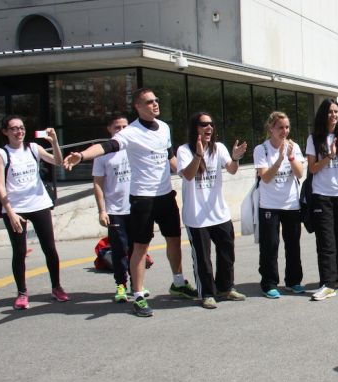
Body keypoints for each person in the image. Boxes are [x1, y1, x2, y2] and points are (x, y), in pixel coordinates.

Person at [64, 88, 197, 317]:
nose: (155, 104)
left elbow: (169, 155)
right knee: (140, 247)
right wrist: (83, 156)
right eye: (149, 102)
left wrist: (185, 172)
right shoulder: (130, 132)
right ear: (138, 106)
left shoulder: (164, 127)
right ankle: (137, 296)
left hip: (165, 196)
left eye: (156, 100)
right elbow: (106, 146)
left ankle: (178, 282)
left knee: (174, 240)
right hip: (142, 198)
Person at [0, 115, 67, 309]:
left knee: (50, 248)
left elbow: (58, 162)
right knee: (19, 251)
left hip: (39, 203)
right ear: (5, 132)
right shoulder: (1, 153)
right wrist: (10, 212)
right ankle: (22, 292)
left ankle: (57, 287)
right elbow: (0, 186)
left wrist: (55, 142)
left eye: (22, 128)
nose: (19, 131)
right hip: (16, 209)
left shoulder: (34, 148)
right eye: (14, 128)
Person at [177, 112, 247, 309]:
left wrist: (235, 158)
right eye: (203, 124)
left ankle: (225, 288)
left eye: (211, 124)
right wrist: (198, 154)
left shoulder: (219, 148)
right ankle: (207, 293)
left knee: (227, 253)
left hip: (219, 213)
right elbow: (189, 176)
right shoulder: (184, 150)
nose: (209, 128)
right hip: (197, 217)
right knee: (203, 259)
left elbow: (232, 169)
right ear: (195, 128)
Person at [305, 98, 338, 301]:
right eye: (329, 112)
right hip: (322, 196)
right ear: (323, 114)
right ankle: (327, 284)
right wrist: (330, 156)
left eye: (336, 111)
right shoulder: (314, 138)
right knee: (326, 241)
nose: (333, 115)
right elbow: (312, 168)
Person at [254, 111, 305, 299]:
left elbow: (300, 174)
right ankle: (269, 283)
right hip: (269, 205)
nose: (284, 131)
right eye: (280, 127)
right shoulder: (262, 149)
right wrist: (279, 160)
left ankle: (293, 281)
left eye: (287, 127)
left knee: (293, 245)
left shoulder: (294, 146)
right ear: (271, 129)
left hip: (291, 204)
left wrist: (291, 158)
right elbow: (265, 177)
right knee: (270, 245)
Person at [92, 113, 139, 303]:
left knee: (138, 249)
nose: (121, 130)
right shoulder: (103, 154)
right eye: (117, 127)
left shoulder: (136, 148)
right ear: (110, 130)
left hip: (136, 207)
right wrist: (102, 210)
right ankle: (121, 285)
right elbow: (97, 184)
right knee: (119, 250)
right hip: (115, 210)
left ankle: (138, 284)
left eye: (124, 127)